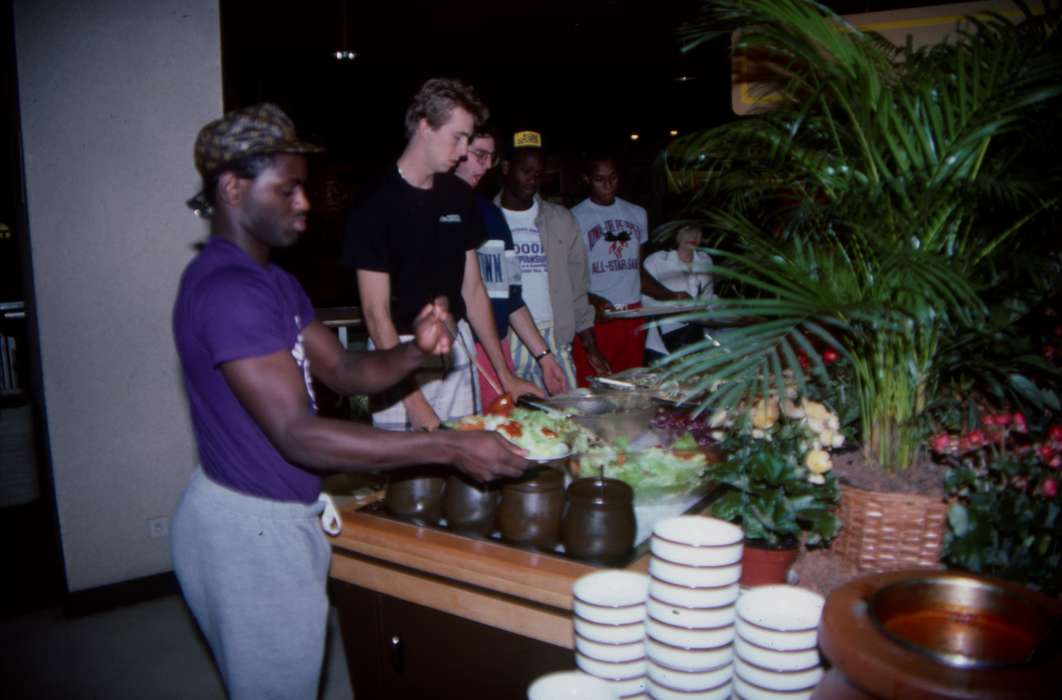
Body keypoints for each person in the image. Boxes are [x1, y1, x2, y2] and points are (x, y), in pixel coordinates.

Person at [171, 103, 528, 700]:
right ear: (234, 188)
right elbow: (298, 434)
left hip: (274, 515)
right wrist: (445, 446)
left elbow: (341, 368)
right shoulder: (229, 291)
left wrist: (417, 349)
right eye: (287, 190)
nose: (306, 203)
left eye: (303, 189)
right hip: (249, 527)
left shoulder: (274, 282)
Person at [342, 79, 540, 431]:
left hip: (454, 351)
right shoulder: (374, 202)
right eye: (458, 137)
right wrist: (413, 402)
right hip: (396, 353)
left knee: (458, 472)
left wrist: (504, 373)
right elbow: (376, 314)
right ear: (424, 126)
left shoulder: (458, 196)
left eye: (469, 139)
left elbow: (473, 289)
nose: (464, 151)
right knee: (405, 479)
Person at [453, 126, 568, 404]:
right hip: (457, 348)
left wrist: (545, 357)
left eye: (490, 157)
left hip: (497, 346)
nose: (485, 165)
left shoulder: (492, 215)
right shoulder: (435, 209)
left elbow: (512, 297)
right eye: (478, 154)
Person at [494, 131, 608, 390]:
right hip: (505, 340)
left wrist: (591, 347)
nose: (533, 180)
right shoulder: (487, 220)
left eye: (539, 173)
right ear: (506, 167)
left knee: (566, 419)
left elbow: (578, 288)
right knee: (512, 424)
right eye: (526, 171)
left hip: (554, 335)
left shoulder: (561, 219)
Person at [571, 154, 683, 384]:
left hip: (633, 314)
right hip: (596, 318)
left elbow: (637, 272)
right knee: (593, 385)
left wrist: (671, 296)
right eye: (599, 179)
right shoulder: (573, 217)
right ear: (586, 179)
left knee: (630, 387)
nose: (608, 185)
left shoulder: (637, 213)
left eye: (612, 178)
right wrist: (591, 298)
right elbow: (569, 278)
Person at [642, 224, 714, 362]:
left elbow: (708, 299)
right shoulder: (657, 261)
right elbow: (645, 301)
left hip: (697, 338)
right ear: (675, 234)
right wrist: (676, 309)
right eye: (688, 231)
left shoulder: (705, 260)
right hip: (662, 343)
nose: (694, 236)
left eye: (697, 231)